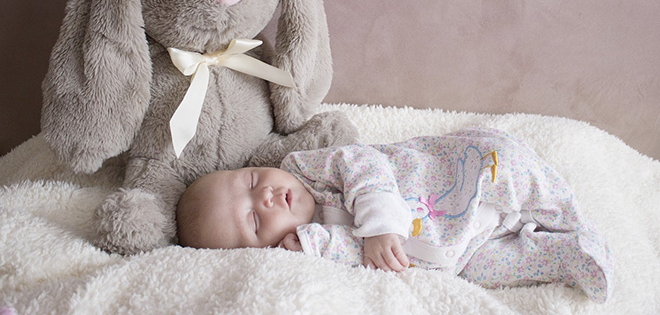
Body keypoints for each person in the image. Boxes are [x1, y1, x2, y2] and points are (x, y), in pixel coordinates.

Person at [176, 128, 613, 303]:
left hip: (462, 178)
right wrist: (316, 246)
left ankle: (571, 219)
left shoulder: (306, 169)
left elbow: (364, 163)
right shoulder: (303, 252)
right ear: (255, 252)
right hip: (460, 252)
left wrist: (380, 224)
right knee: (496, 270)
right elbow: (360, 268)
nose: (266, 197)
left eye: (253, 180)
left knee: (515, 173)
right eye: (255, 221)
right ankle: (571, 254)